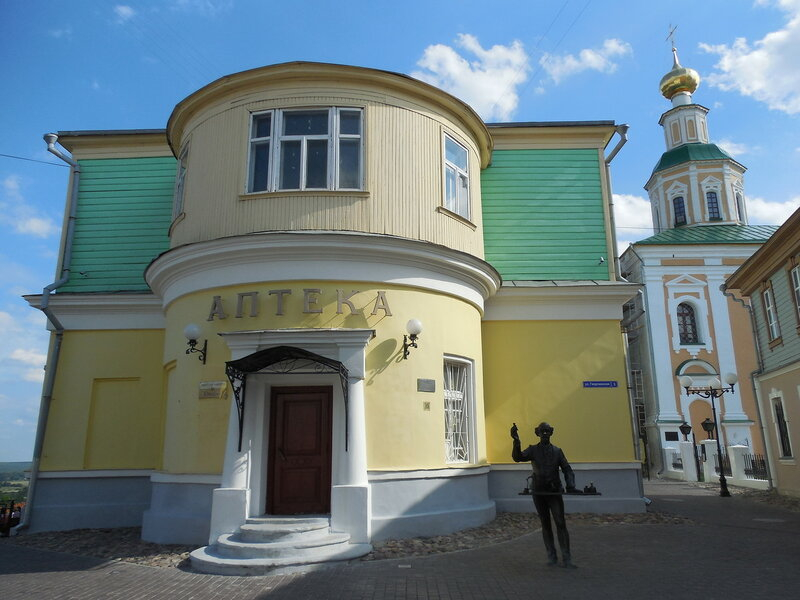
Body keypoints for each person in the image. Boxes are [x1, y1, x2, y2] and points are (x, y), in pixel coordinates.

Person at [511, 421, 577, 568]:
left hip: (554, 492)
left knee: (560, 522)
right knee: (545, 523)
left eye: (547, 431)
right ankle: (551, 556)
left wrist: (570, 485)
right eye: (542, 431)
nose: (545, 433)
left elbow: (567, 469)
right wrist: (516, 441)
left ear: (551, 432)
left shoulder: (557, 451)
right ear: (537, 433)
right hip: (539, 491)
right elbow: (518, 458)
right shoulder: (533, 450)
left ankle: (566, 557)